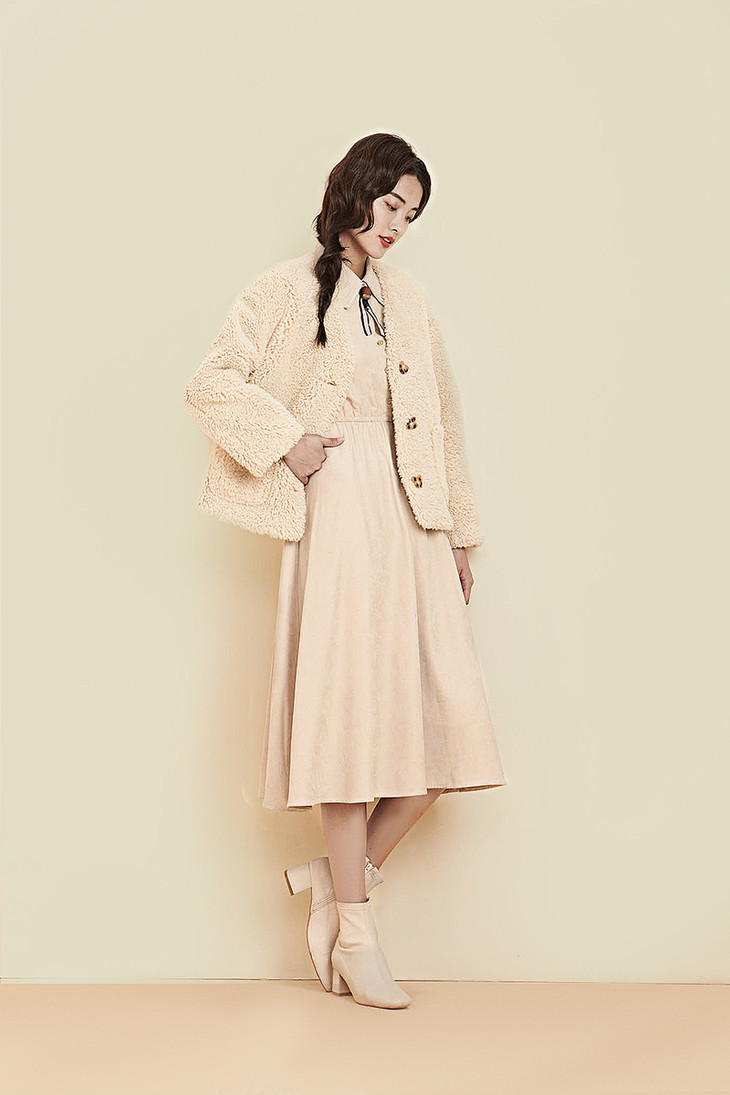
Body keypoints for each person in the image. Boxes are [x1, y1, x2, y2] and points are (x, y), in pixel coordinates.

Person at [184, 132, 507, 1009]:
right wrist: (286, 440)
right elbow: (211, 382)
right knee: (346, 719)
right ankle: (357, 935)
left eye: (412, 213)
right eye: (391, 202)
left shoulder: (411, 300)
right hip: (334, 510)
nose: (398, 224)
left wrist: (458, 534)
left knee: (444, 724)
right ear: (355, 190)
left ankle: (336, 882)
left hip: (411, 512)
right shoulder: (283, 288)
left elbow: (443, 420)